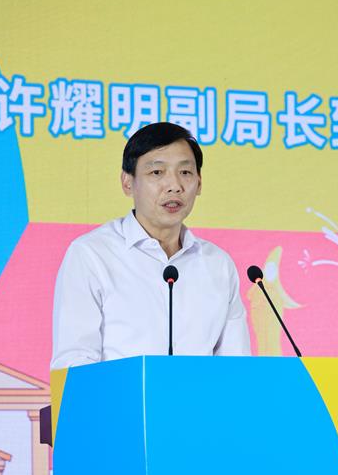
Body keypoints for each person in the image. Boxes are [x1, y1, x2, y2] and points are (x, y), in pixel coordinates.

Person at [51, 122, 251, 369]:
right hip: (119, 395)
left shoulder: (218, 264)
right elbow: (73, 363)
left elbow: (237, 366)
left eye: (185, 172)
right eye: (157, 172)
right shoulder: (92, 255)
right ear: (127, 182)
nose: (174, 185)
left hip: (200, 396)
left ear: (199, 183)